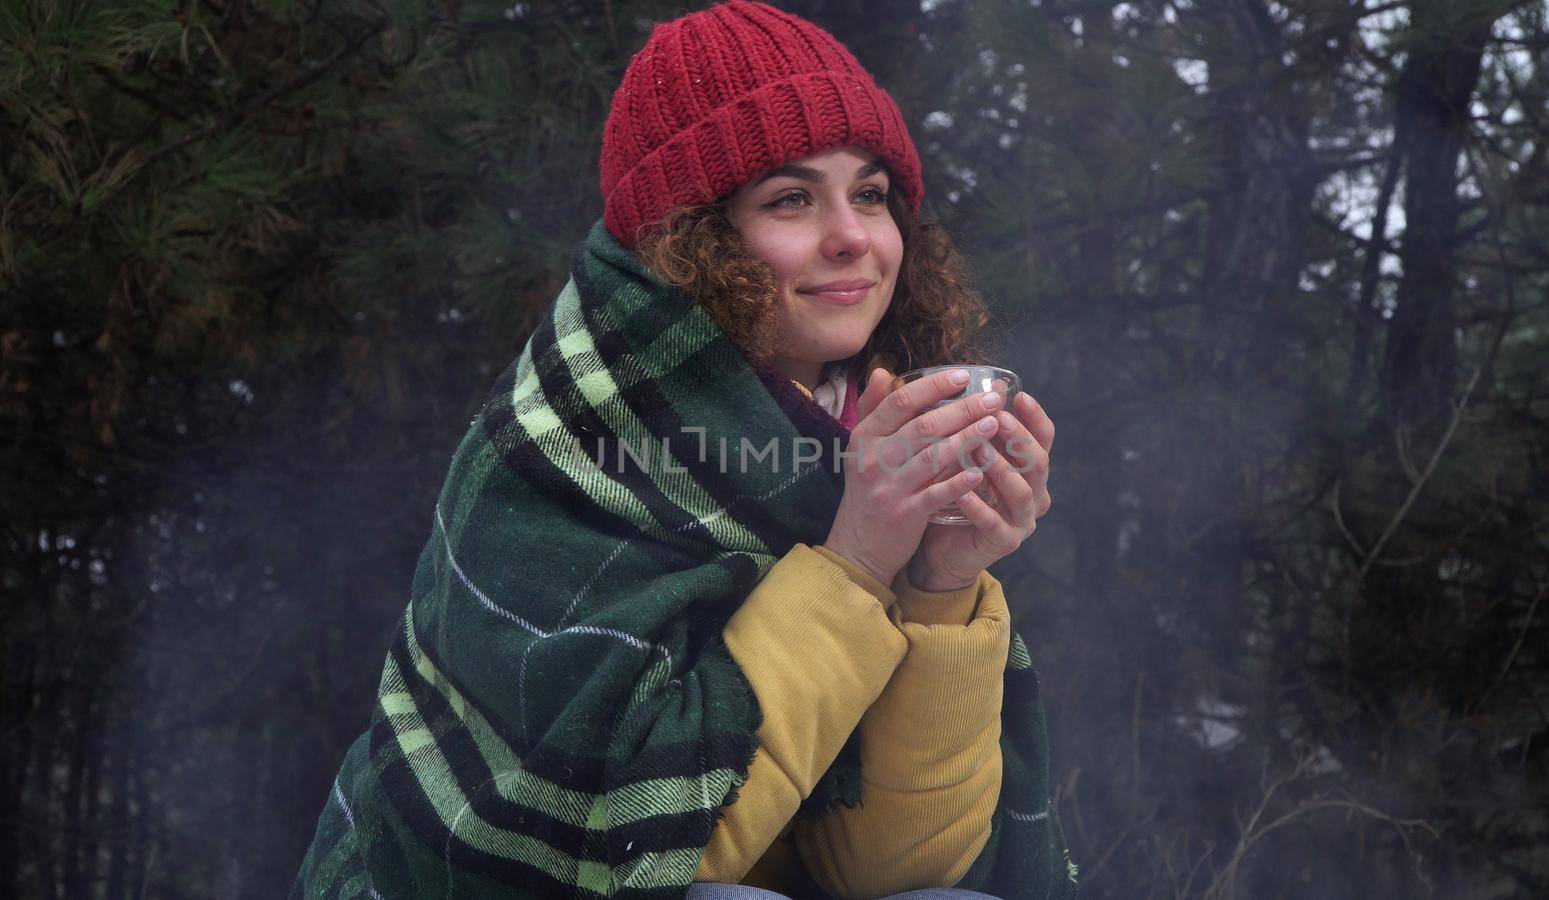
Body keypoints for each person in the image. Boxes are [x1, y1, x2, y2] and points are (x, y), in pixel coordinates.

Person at [292, 3, 1078, 898]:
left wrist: (939, 580)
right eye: (791, 199)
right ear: (692, 242)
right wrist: (855, 557)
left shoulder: (872, 429)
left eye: (870, 193)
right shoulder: (568, 445)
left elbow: (898, 872)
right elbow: (631, 857)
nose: (853, 236)